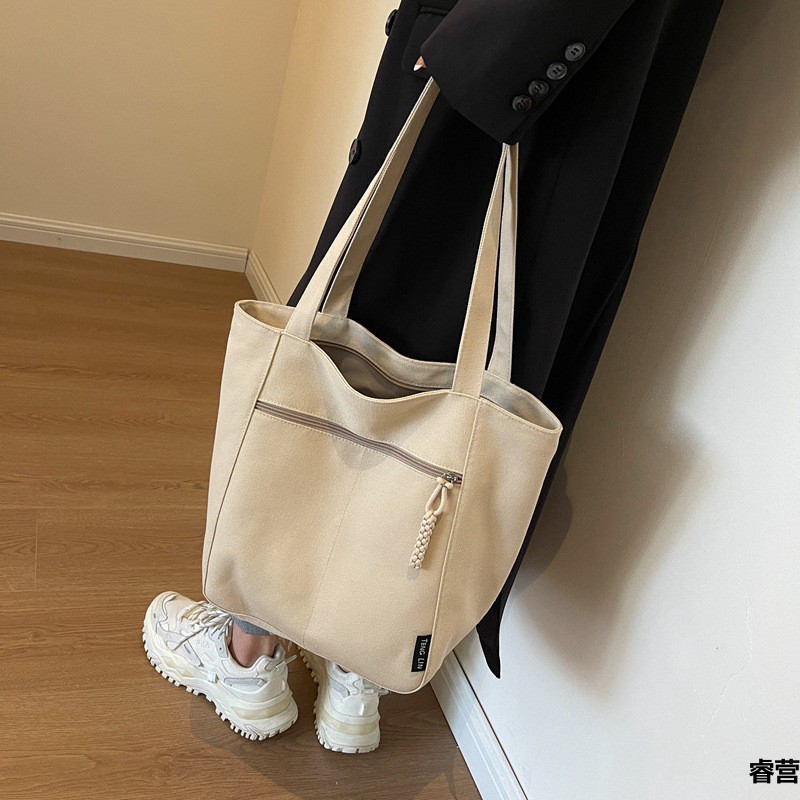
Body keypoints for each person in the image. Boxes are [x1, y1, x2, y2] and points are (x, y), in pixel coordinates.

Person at [144, 0, 724, 752]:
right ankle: (363, 668)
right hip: (618, 79)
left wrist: (483, 40)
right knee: (494, 355)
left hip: (510, 38)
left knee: (373, 309)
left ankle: (247, 655)